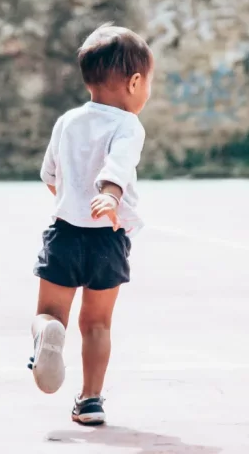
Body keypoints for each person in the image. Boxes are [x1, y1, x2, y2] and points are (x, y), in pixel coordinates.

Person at [27, 23, 152, 426]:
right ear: (135, 82)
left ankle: (47, 334)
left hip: (65, 233)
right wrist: (110, 195)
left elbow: (49, 176)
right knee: (97, 323)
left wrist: (75, 202)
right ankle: (91, 400)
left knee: (49, 313)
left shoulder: (67, 121)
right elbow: (120, 164)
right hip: (108, 239)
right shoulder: (128, 125)